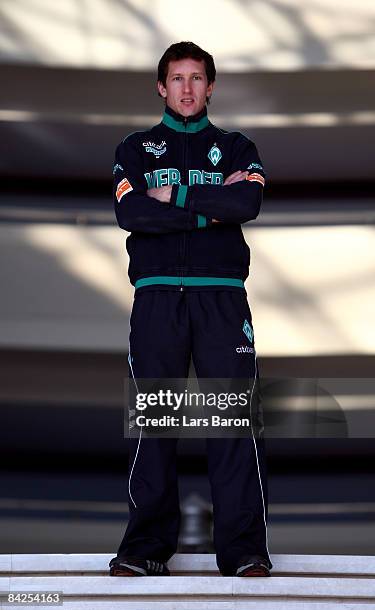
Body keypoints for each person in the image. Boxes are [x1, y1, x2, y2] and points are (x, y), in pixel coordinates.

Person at [109, 41, 272, 578]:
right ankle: (145, 549)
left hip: (222, 298)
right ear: (160, 87)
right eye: (176, 78)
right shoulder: (135, 148)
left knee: (231, 422)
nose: (186, 88)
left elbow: (245, 203)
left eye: (196, 78)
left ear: (211, 87)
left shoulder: (237, 147)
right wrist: (207, 208)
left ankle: (244, 551)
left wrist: (172, 199)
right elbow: (131, 212)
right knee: (155, 422)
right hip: (156, 298)